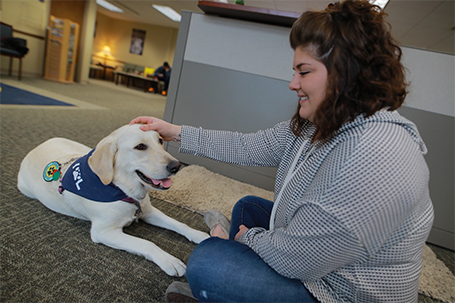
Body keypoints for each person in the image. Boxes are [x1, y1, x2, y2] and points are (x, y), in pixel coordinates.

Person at [131, 1, 434, 302]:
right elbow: (249, 146)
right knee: (249, 207)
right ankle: (232, 266)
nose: (293, 84)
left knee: (208, 263)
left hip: (340, 292)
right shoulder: (326, 122)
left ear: (347, 73)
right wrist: (175, 132)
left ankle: (223, 268)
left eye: (304, 72)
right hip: (321, 260)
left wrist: (248, 238)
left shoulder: (377, 156)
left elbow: (300, 261)